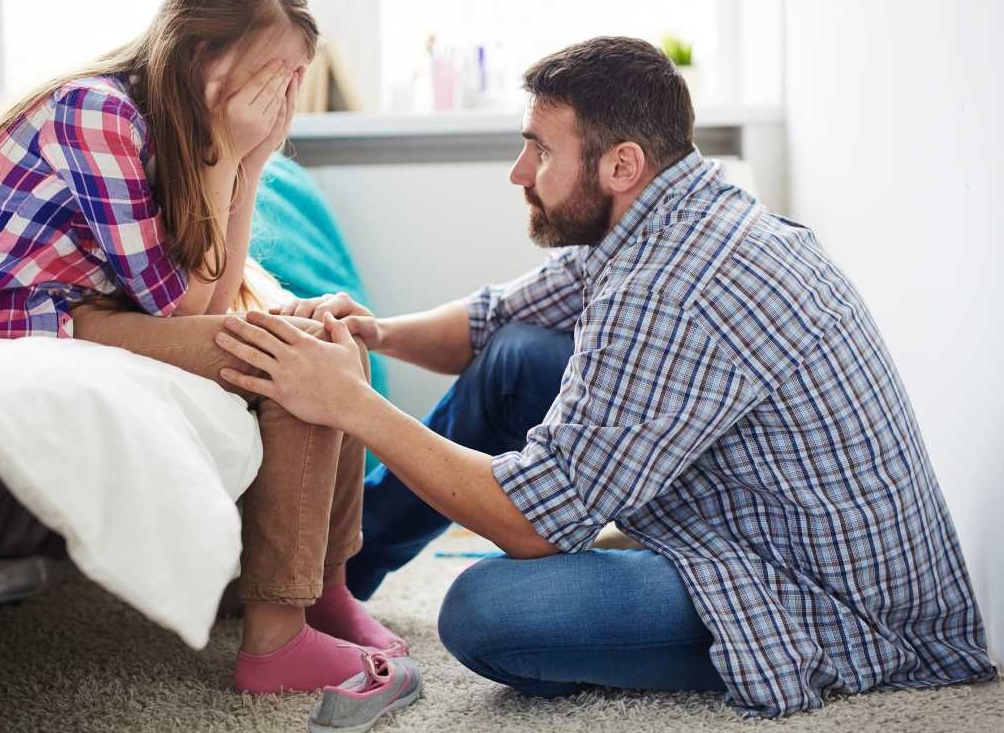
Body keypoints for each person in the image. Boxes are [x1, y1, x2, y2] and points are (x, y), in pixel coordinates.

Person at [214, 36, 997, 717]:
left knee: (487, 612)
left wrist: (349, 403)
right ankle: (334, 577)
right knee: (519, 354)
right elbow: (497, 318)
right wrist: (373, 331)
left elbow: (530, 524)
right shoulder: (675, 208)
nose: (520, 171)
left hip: (827, 601)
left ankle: (624, 612)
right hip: (764, 517)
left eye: (542, 150)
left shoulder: (673, 286)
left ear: (622, 163)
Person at [0, 0, 404, 694]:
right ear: (200, 53)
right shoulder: (98, 112)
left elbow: (208, 301)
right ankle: (275, 643)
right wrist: (232, 157)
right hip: (33, 321)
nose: (278, 96)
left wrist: (250, 164)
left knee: (330, 343)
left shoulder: (168, 122)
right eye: (267, 74)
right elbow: (178, 306)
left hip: (98, 313)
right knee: (298, 360)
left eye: (291, 80)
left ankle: (325, 592)